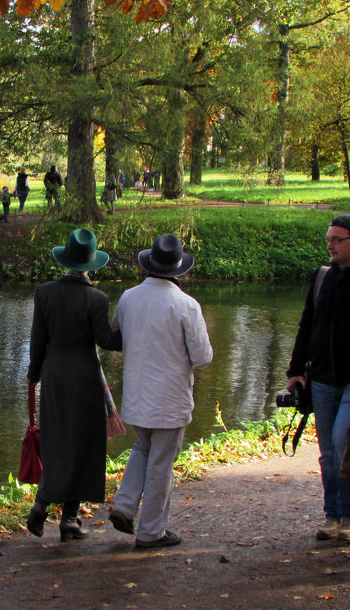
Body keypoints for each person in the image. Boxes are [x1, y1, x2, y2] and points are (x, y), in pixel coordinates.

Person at [286, 214, 350, 544]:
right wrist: (295, 371)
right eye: (328, 239)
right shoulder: (322, 278)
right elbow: (307, 325)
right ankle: (333, 515)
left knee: (346, 446)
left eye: (336, 239)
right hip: (322, 378)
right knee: (329, 452)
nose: (329, 245)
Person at [108, 234, 213, 549]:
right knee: (161, 463)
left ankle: (125, 506)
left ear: (149, 265)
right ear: (178, 271)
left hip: (137, 399)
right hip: (170, 400)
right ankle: (151, 531)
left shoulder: (128, 297)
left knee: (143, 449)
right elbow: (203, 357)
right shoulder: (185, 305)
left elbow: (117, 333)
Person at [25, 229, 122, 541]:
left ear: (64, 260)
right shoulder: (97, 298)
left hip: (53, 376)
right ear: (91, 265)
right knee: (82, 444)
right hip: (85, 378)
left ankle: (45, 507)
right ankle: (67, 518)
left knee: (56, 442)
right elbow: (106, 341)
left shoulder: (44, 292)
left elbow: (37, 341)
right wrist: (134, 328)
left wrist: (33, 374)